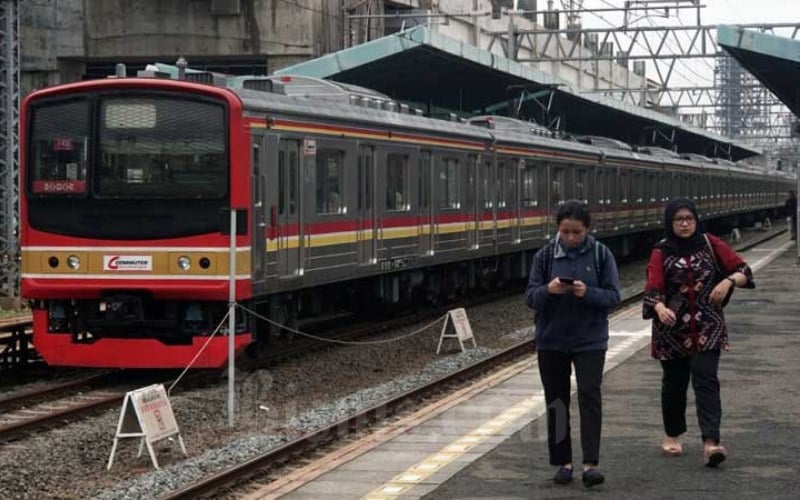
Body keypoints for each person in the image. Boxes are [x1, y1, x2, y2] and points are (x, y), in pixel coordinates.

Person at [643, 197, 754, 468]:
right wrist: (658, 307)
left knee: (706, 380)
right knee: (674, 383)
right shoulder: (661, 251)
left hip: (708, 326)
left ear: (696, 220)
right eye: (678, 219)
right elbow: (652, 287)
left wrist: (728, 282)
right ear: (670, 222)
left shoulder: (710, 243)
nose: (684, 224)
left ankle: (711, 443)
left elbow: (744, 271)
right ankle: (672, 434)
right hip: (672, 330)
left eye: (689, 219)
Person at [525, 200, 621, 487]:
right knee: (556, 400)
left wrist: (586, 292)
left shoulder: (602, 255)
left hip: (590, 339)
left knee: (590, 396)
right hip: (551, 339)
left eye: (576, 232)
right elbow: (530, 297)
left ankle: (590, 463)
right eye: (564, 231)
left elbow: (613, 296)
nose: (569, 238)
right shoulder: (544, 256)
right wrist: (549, 290)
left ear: (588, 229)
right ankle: (563, 462)